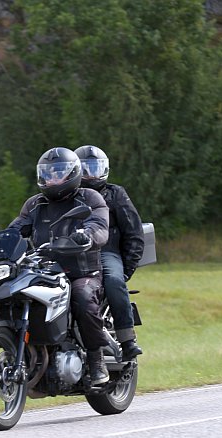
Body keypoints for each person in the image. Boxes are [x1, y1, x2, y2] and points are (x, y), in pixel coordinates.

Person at [8, 147, 113, 385]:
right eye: (48, 173)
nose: (53, 179)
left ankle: (97, 361)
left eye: (59, 173)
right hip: (43, 269)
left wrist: (87, 235)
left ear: (74, 173)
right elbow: (15, 229)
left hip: (82, 271)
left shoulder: (89, 198)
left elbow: (99, 226)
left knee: (83, 297)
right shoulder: (35, 204)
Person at [75, 145, 144, 360]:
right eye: (85, 169)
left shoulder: (115, 194)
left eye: (95, 168)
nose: (91, 174)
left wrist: (126, 271)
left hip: (105, 252)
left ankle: (127, 339)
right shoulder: (67, 195)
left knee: (114, 281)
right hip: (70, 254)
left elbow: (134, 232)